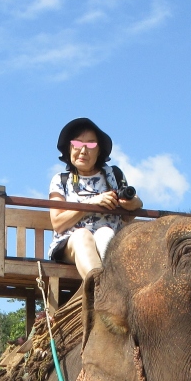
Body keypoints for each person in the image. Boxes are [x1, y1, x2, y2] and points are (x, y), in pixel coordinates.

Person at [48, 117, 143, 279]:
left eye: (91, 144)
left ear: (99, 150)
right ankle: (99, 289)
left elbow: (135, 207)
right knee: (82, 235)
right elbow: (58, 223)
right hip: (71, 244)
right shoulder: (61, 180)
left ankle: (108, 287)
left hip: (111, 241)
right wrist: (91, 203)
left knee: (105, 233)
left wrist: (129, 203)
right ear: (69, 148)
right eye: (77, 144)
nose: (83, 150)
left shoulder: (114, 175)